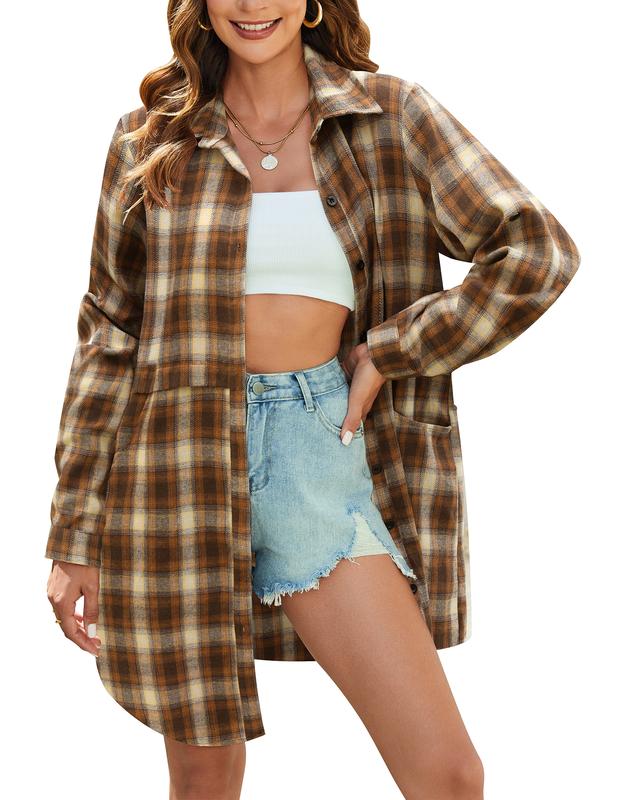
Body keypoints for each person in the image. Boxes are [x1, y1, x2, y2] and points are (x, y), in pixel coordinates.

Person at [45, 2, 580, 798]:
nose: (251, 5)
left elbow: (536, 252)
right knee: (203, 775)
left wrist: (396, 349)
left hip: (313, 448)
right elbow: (109, 336)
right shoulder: (147, 139)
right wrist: (75, 532)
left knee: (446, 774)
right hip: (172, 463)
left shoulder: (391, 116)